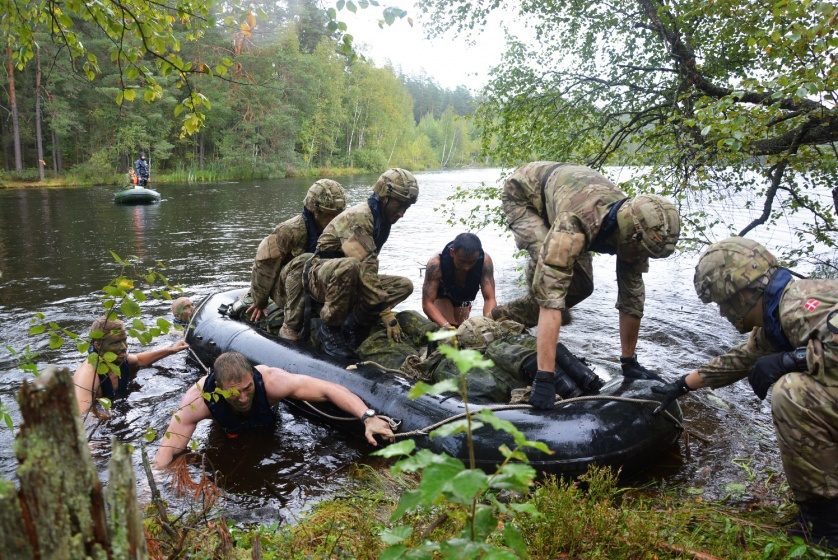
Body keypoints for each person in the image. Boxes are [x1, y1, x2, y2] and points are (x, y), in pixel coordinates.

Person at [652, 237, 837, 548]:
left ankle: (827, 525)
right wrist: (683, 384)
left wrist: (793, 359)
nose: (723, 313)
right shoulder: (777, 317)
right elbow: (739, 359)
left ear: (744, 294)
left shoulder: (799, 305)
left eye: (723, 303)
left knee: (792, 393)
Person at [495, 162, 680, 408]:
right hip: (524, 195)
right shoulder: (575, 223)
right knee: (551, 271)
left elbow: (632, 297)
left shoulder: (638, 229)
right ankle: (502, 318)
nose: (640, 256)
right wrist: (545, 378)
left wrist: (629, 363)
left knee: (582, 287)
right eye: (641, 250)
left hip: (563, 194)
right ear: (628, 235)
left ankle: (516, 318)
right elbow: (551, 295)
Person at [153, 351, 395, 468]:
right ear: (218, 387)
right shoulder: (199, 400)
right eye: (234, 392)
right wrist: (155, 486)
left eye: (248, 387)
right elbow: (168, 450)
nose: (244, 396)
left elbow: (329, 389)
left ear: (252, 377)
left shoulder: (271, 381)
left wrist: (367, 417)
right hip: (227, 425)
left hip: (267, 421)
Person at [307, 168, 418, 360]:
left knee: (404, 285)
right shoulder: (360, 217)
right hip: (322, 278)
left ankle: (354, 324)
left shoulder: (382, 220)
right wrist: (386, 314)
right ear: (385, 197)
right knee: (350, 266)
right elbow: (364, 266)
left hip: (351, 277)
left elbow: (370, 267)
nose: (402, 213)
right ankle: (329, 331)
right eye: (399, 206)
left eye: (406, 208)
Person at [240, 179, 346, 341]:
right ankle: (289, 328)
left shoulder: (339, 232)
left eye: (338, 214)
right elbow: (265, 264)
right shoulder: (289, 230)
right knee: (306, 260)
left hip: (317, 287)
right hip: (286, 289)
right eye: (330, 215)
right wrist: (260, 301)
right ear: (315, 211)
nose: (335, 219)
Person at [73, 316, 189, 416]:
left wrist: (172, 350)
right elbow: (83, 415)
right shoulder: (88, 376)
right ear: (98, 345)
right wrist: (104, 418)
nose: (124, 347)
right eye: (116, 343)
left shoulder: (119, 359)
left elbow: (140, 360)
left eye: (124, 340)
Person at [422, 233, 497, 329]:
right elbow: (427, 303)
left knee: (463, 329)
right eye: (462, 261)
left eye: (471, 262)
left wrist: (489, 323)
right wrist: (446, 326)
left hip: (463, 298)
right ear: (452, 252)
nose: (466, 267)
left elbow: (490, 298)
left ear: (478, 255)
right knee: (451, 329)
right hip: (441, 297)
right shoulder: (436, 264)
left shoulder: (485, 262)